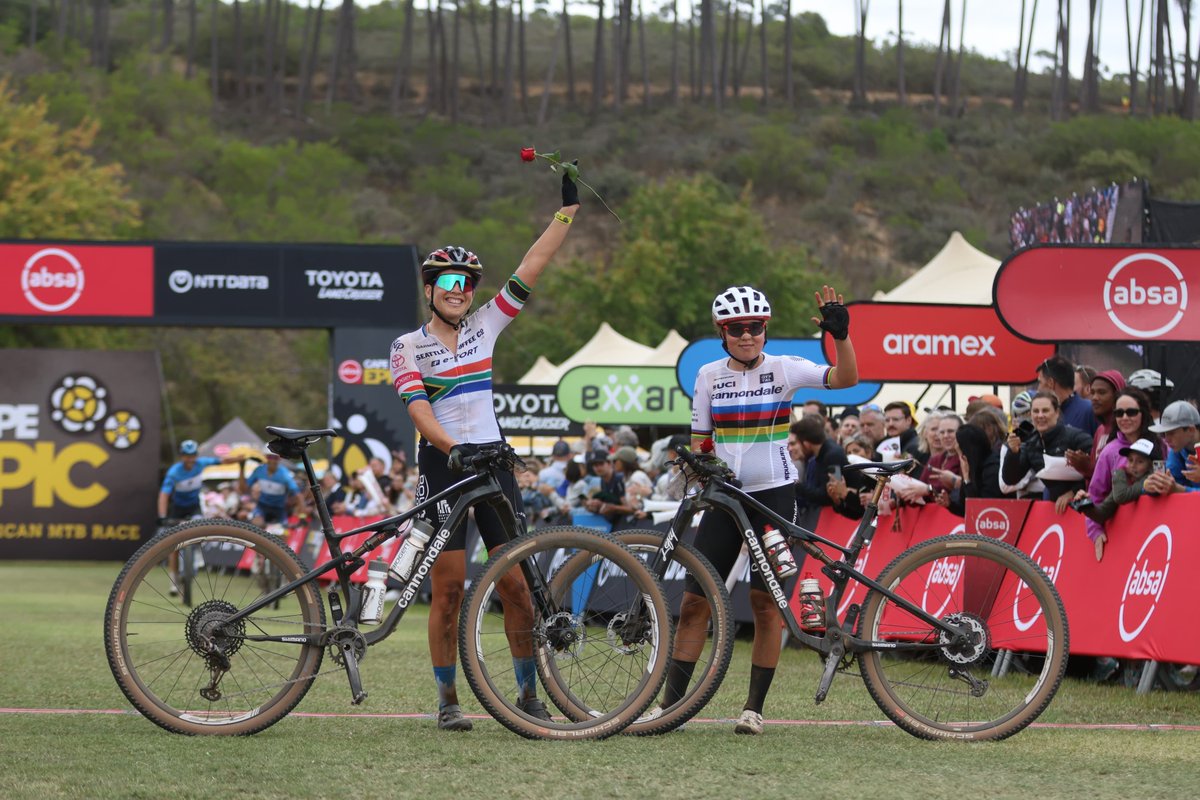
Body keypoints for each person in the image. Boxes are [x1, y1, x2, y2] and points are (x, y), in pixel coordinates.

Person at [387, 171, 580, 731]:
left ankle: (527, 695)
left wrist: (565, 214)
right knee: (446, 590)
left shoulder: (485, 326)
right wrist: (453, 447)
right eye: (449, 279)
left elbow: (531, 267)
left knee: (516, 585)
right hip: (443, 466)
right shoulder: (408, 347)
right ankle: (447, 701)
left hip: (492, 464)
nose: (460, 288)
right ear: (429, 287)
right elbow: (419, 412)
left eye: (468, 282)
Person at [660, 283, 857, 736]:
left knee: (766, 606)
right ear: (722, 331)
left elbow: (846, 380)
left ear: (765, 329)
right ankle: (669, 708)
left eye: (754, 327)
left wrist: (841, 337)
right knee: (693, 604)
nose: (747, 335)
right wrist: (697, 471)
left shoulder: (785, 369)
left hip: (773, 497)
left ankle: (753, 710)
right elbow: (700, 444)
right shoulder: (709, 375)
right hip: (725, 498)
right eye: (736, 328)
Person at [1079, 387, 1158, 553]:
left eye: (1131, 412)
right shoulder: (1109, 451)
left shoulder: (1160, 445)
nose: (1125, 418)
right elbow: (1096, 494)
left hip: (1157, 531)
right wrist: (1096, 531)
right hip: (1122, 538)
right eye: (1119, 413)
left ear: (1143, 413)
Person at [1001, 391, 1093, 513]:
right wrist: (1013, 453)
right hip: (1057, 511)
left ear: (1056, 413)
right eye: (1035, 411)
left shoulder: (1076, 437)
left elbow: (1099, 471)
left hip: (1087, 508)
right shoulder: (1031, 443)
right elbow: (1010, 480)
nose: (1040, 416)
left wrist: (1073, 492)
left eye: (1045, 411)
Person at [1071, 438, 1157, 561]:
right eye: (1130, 460)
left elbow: (1121, 496)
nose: (1132, 465)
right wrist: (1085, 504)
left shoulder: (1150, 478)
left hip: (1152, 542)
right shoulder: (1127, 481)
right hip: (1135, 546)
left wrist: (1118, 472)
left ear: (1150, 465)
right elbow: (1101, 514)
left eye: (1140, 461)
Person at [1065, 369, 1125, 482]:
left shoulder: (1126, 428)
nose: (1095, 398)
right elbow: (1095, 479)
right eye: (1092, 393)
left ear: (1117, 395)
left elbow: (1121, 478)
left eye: (1101, 392)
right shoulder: (1100, 430)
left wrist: (1088, 467)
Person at [1142, 400, 1200, 495]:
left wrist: (1181, 490)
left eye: (1171, 433)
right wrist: (1148, 486)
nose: (1166, 439)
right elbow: (1168, 482)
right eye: (1164, 433)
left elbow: (1178, 488)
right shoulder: (1178, 449)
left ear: (1191, 430)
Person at [1037, 355, 1097, 435]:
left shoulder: (1089, 410)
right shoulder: (1044, 415)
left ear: (1051, 383)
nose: (1038, 389)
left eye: (1040, 382)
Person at [240, 452, 301, 528]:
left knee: (282, 533)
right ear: (267, 458)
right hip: (262, 506)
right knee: (257, 525)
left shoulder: (284, 474)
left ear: (279, 459)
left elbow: (298, 494)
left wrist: (302, 512)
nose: (273, 460)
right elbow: (243, 490)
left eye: (275, 458)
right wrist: (242, 467)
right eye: (270, 457)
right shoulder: (259, 470)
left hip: (278, 509)